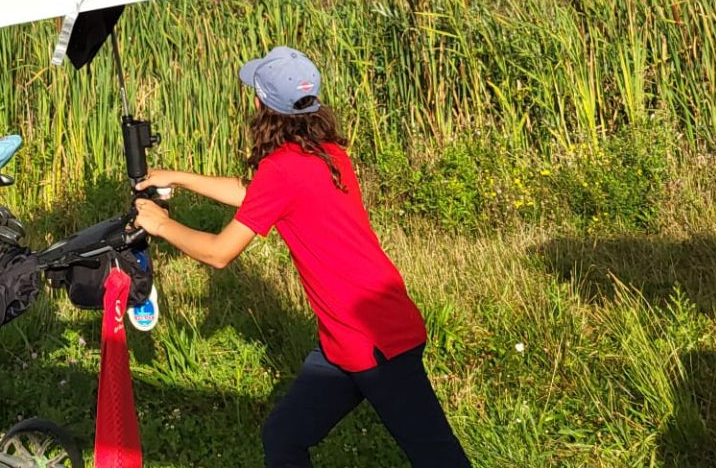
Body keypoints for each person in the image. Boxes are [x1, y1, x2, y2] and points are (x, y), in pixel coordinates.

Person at [131, 45, 472, 467]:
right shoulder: (326, 153)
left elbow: (219, 253)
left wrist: (161, 225)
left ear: (262, 107)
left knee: (437, 457)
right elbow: (257, 195)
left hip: (377, 339)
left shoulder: (284, 169)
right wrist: (179, 177)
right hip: (345, 340)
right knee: (284, 436)